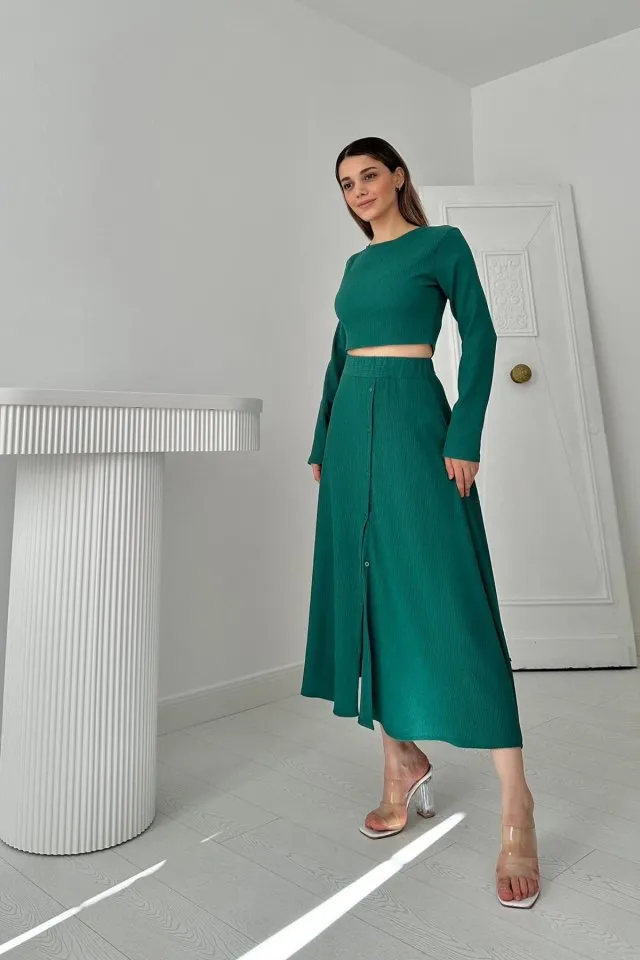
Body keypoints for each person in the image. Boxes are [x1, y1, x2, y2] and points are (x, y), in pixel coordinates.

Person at [301, 136, 540, 909]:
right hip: (350, 435)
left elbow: (482, 334)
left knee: (453, 601)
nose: (358, 190)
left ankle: (516, 802)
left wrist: (464, 433)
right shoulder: (354, 267)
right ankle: (399, 759)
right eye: (346, 183)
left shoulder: (442, 245)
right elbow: (339, 358)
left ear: (398, 175)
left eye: (369, 175)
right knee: (368, 593)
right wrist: (321, 442)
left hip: (414, 421)